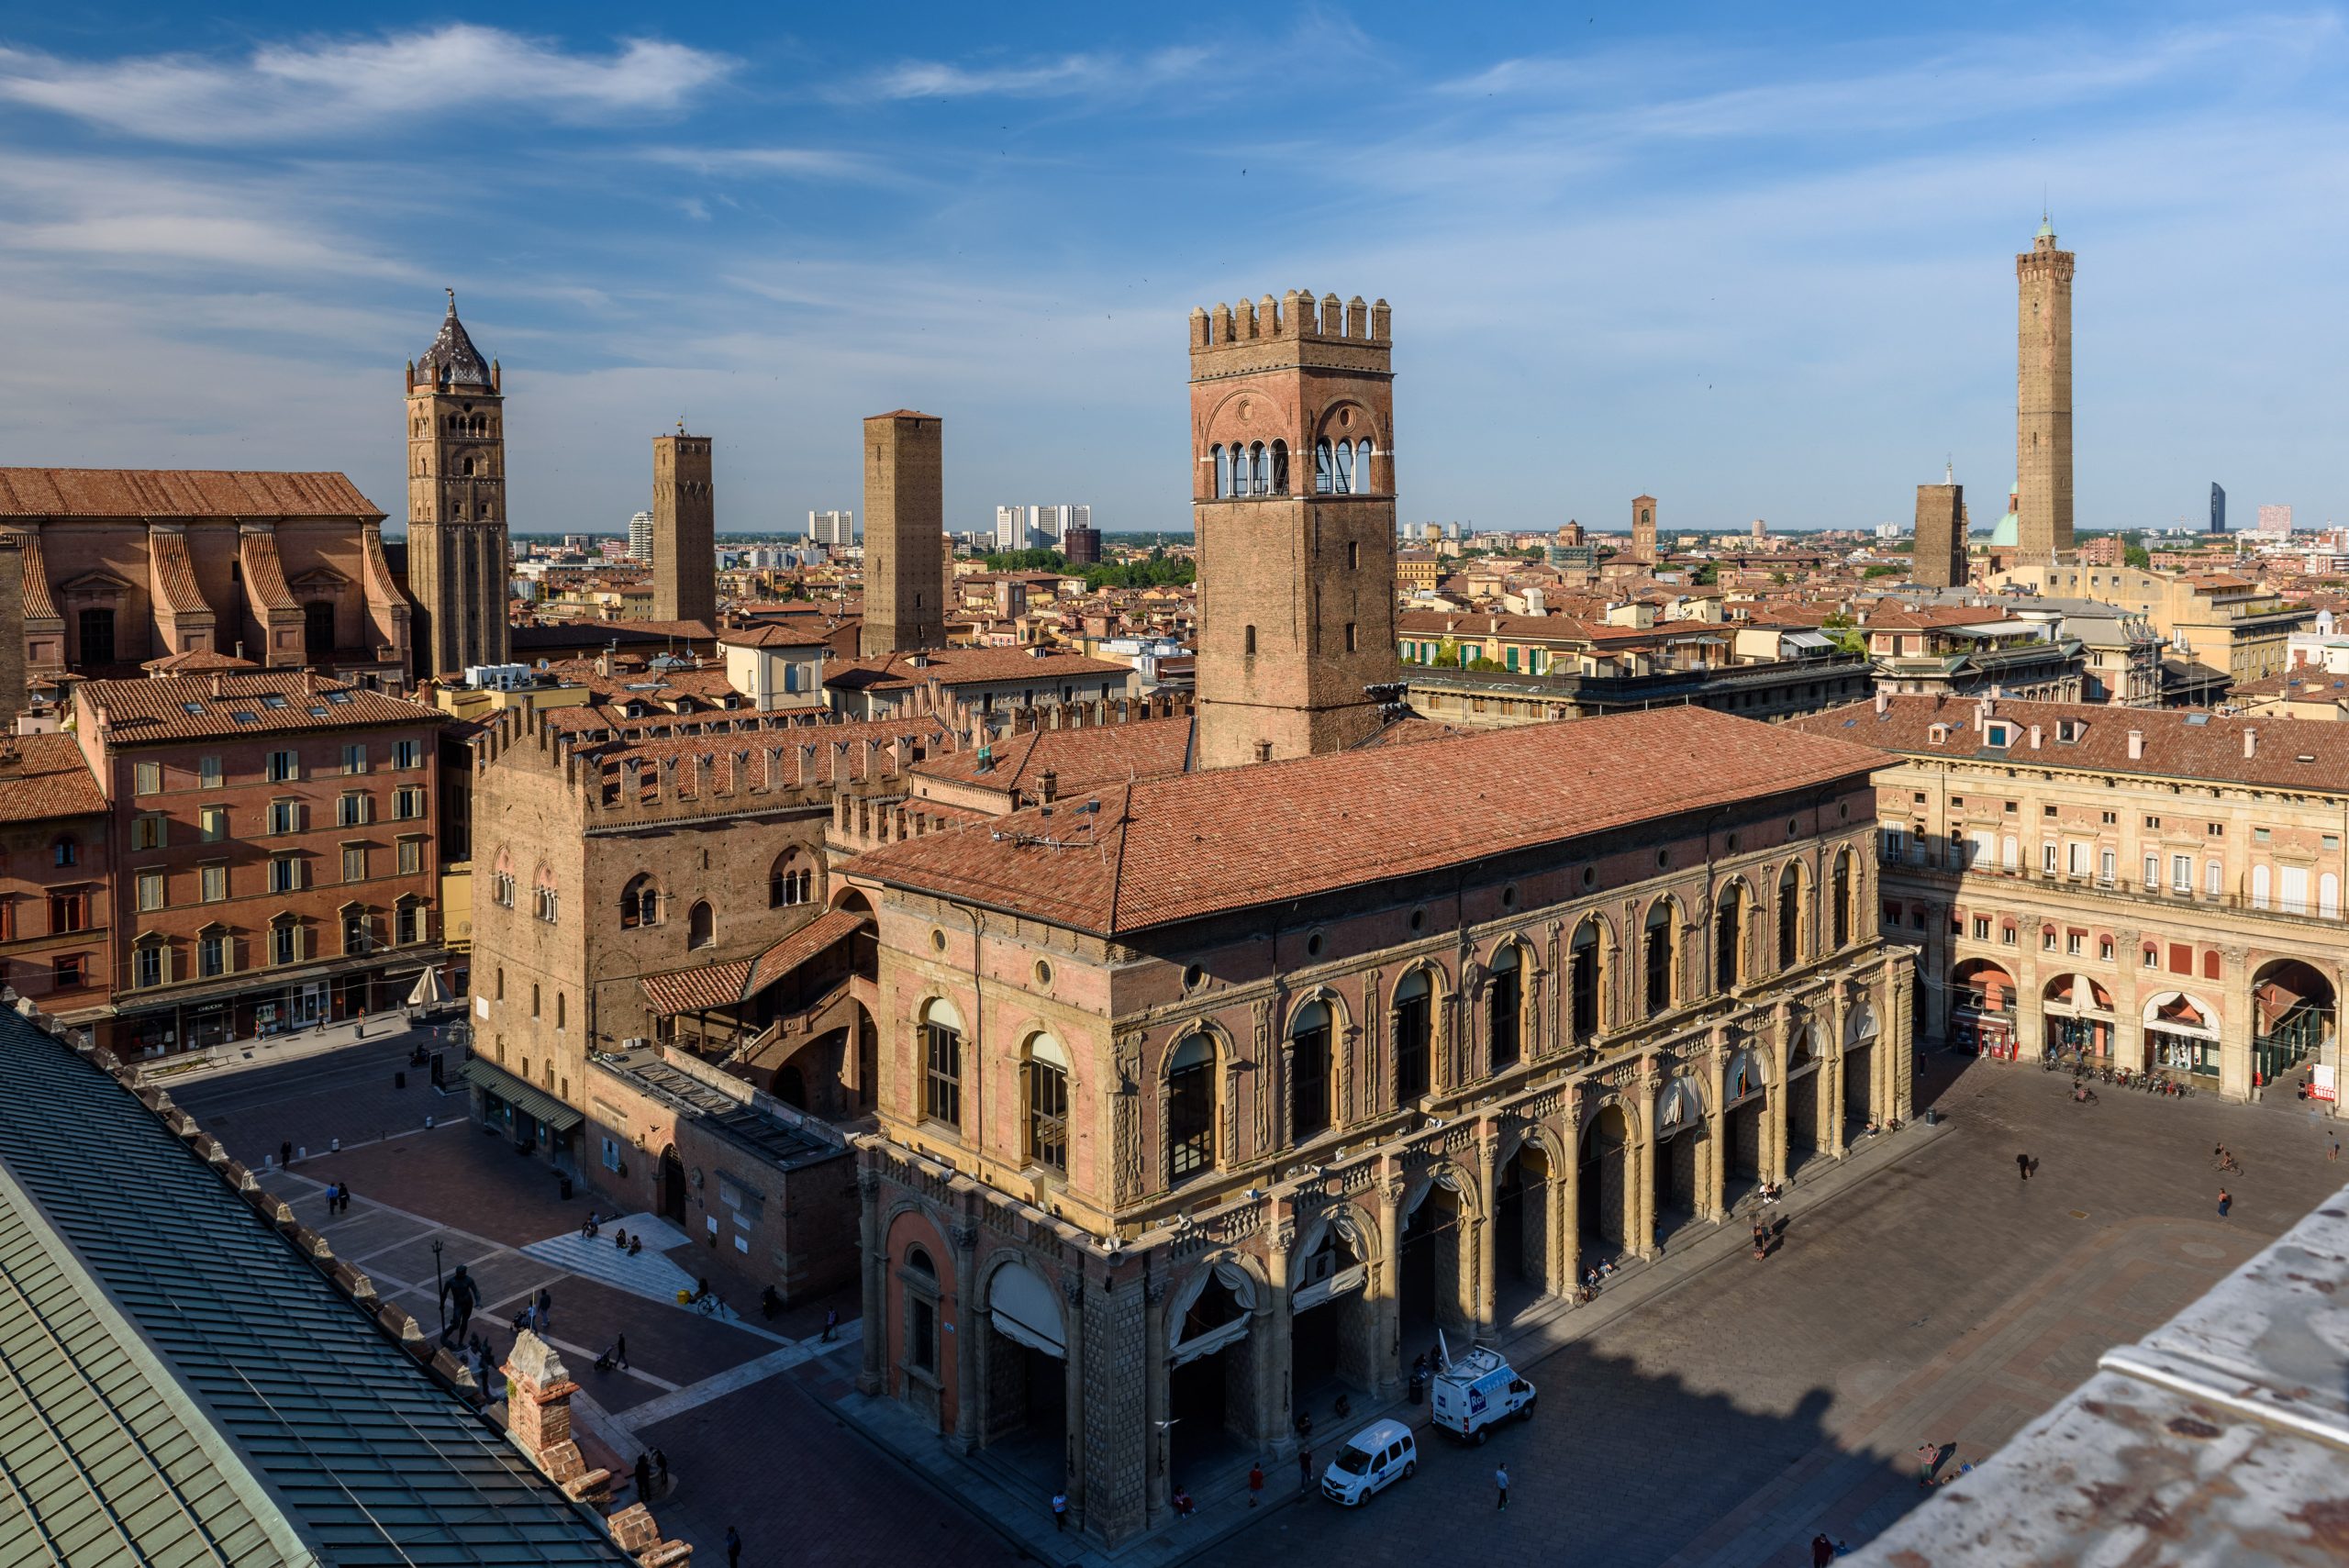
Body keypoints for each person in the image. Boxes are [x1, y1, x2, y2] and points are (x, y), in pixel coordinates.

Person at [441, 1264, 479, 1342]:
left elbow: (475, 1291)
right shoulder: (451, 1282)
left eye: (462, 1273)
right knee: (456, 1324)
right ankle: (445, 1335)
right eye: (459, 1273)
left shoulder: (468, 1280)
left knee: (464, 1322)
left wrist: (478, 1301)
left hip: (468, 1304)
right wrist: (442, 1304)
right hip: (458, 1304)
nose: (461, 1275)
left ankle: (460, 1342)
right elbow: (444, 1294)